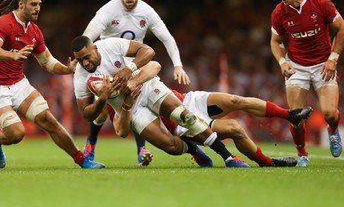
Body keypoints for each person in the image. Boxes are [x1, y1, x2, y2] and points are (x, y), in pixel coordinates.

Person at [0, 0, 104, 169]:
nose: (37, 8)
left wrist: (67, 69)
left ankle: (82, 160)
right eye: (33, 4)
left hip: (18, 83)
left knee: (48, 119)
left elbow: (47, 62)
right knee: (16, 133)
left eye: (39, 4)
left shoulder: (34, 31)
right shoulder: (3, 23)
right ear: (21, 4)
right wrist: (12, 55)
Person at [72, 35, 250, 167]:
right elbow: (87, 113)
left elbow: (148, 51)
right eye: (80, 61)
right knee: (170, 146)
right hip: (132, 109)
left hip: (146, 87)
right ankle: (194, 150)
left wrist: (130, 69)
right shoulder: (81, 76)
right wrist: (102, 98)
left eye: (87, 57)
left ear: (95, 49)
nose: (85, 63)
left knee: (185, 116)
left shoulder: (110, 45)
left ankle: (229, 158)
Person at [81, 0, 190, 166]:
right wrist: (81, 57)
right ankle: (91, 144)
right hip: (108, 66)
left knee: (137, 102)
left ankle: (142, 149)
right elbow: (88, 34)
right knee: (102, 112)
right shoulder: (108, 10)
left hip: (134, 66)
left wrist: (178, 65)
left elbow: (167, 38)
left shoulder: (147, 12)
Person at [97, 74, 312, 167]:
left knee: (235, 99)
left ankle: (289, 115)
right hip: (182, 123)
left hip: (189, 100)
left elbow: (153, 64)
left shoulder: (132, 66)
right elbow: (121, 127)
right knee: (236, 128)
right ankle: (267, 162)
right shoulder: (115, 99)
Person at [270, 0, 344, 167]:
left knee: (330, 113)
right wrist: (283, 62)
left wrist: (333, 59)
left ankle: (333, 130)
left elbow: (341, 27)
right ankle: (302, 154)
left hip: (323, 64)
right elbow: (276, 41)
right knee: (295, 116)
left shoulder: (320, 3)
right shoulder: (279, 11)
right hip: (297, 66)